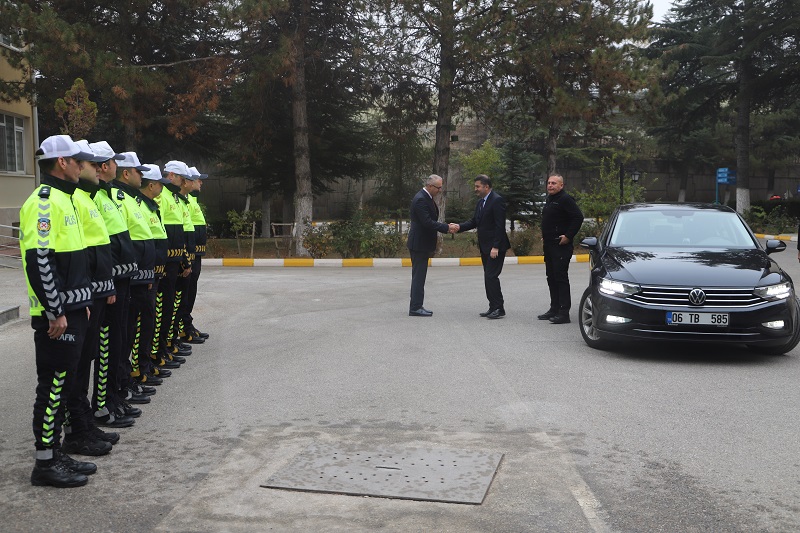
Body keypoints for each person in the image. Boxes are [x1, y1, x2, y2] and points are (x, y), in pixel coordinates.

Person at [20, 135, 97, 487]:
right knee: (51, 388)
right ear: (61, 163)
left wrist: (83, 303)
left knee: (64, 386)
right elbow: (39, 261)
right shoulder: (44, 202)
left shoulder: (67, 200)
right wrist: (55, 310)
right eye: (77, 160)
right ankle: (45, 464)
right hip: (58, 315)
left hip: (74, 309)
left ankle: (56, 453)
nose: (83, 165)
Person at [453, 175, 512, 319]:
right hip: (485, 246)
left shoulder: (496, 200)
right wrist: (459, 227)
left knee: (491, 276)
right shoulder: (481, 202)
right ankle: (492, 306)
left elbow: (500, 225)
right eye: (475, 186)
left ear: (486, 186)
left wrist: (496, 247)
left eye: (478, 186)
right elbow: (475, 221)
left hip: (495, 247)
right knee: (488, 277)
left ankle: (499, 308)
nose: (475, 189)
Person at [539, 174, 584, 324]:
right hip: (549, 245)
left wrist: (569, 236)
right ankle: (554, 308)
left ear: (561, 186)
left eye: (554, 183)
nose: (550, 185)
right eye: (549, 183)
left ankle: (564, 313)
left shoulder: (565, 199)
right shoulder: (551, 199)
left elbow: (578, 217)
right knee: (551, 277)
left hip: (561, 246)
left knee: (560, 278)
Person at [406, 174, 452, 317]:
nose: (440, 190)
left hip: (423, 243)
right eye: (438, 188)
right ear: (430, 186)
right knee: (419, 277)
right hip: (419, 244)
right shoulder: (420, 199)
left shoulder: (427, 197)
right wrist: (446, 228)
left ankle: (417, 305)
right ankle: (415, 307)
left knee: (420, 276)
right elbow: (427, 222)